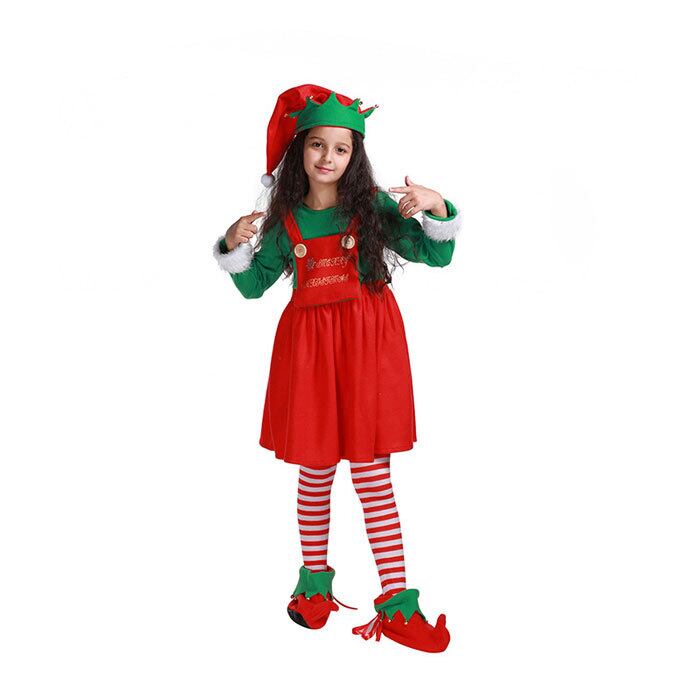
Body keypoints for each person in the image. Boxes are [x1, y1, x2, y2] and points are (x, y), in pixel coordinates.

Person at [212, 84, 462, 653]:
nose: (328, 157)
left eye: (341, 148)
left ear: (356, 155)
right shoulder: (284, 221)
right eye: (317, 145)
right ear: (300, 149)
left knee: (372, 474)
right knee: (316, 469)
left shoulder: (371, 208)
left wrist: (436, 206)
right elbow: (253, 286)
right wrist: (231, 244)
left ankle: (396, 603)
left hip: (368, 351)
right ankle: (314, 587)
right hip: (309, 355)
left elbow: (436, 252)